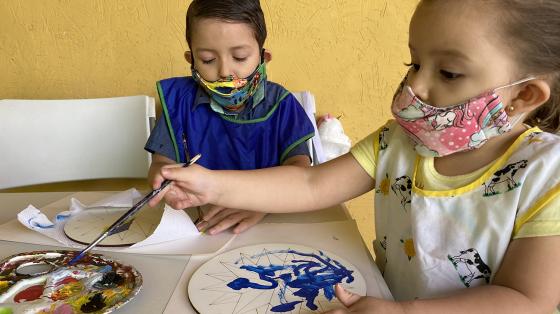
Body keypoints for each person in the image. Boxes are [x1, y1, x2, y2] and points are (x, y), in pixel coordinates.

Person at [150, 0, 560, 312]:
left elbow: (527, 300)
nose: (416, 85)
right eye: (414, 62)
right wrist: (207, 182)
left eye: (448, 73)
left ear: (524, 95)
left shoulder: (548, 176)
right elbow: (310, 185)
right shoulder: (397, 142)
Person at [145, 0, 315, 235]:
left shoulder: (282, 106)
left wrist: (261, 203)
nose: (225, 71)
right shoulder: (179, 102)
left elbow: (300, 173)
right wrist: (163, 178)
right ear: (190, 59)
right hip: (199, 225)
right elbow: (161, 163)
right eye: (207, 60)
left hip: (271, 228)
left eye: (240, 57)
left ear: (263, 58)